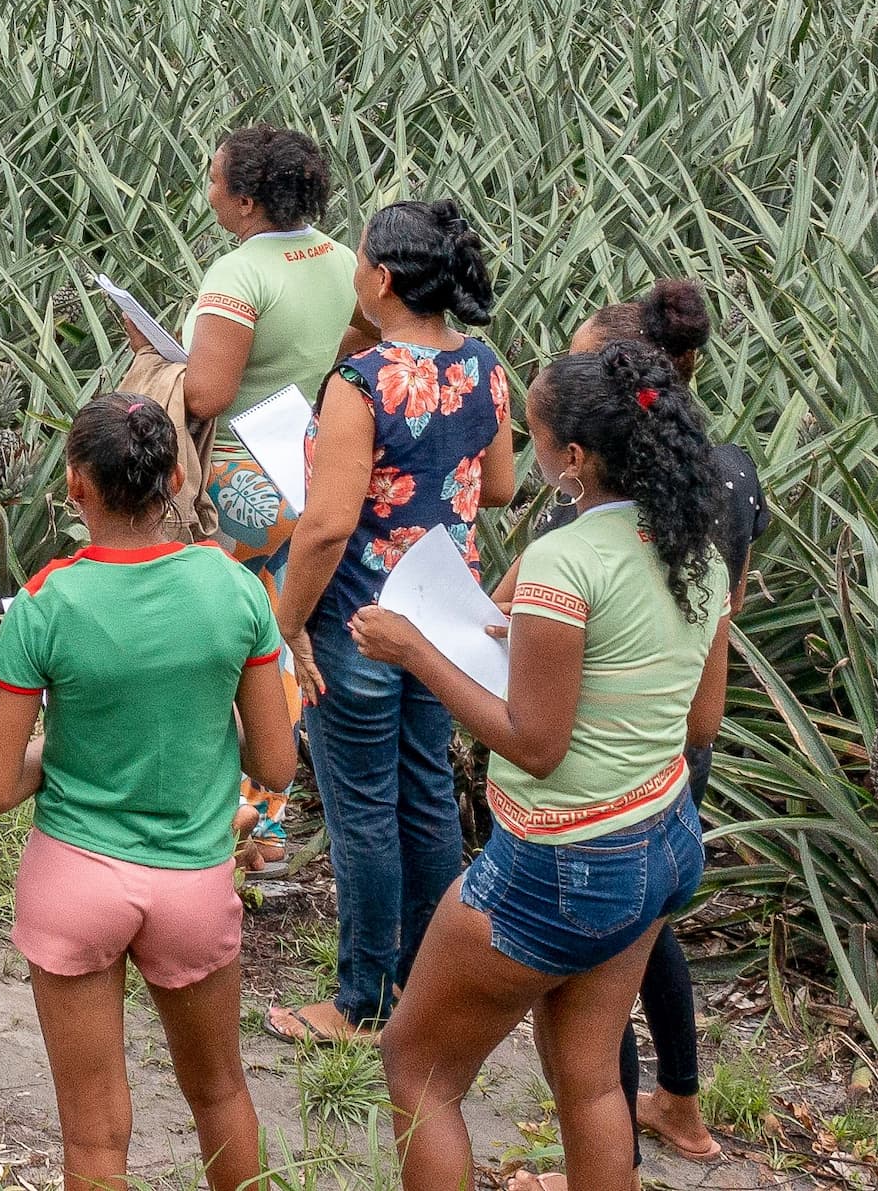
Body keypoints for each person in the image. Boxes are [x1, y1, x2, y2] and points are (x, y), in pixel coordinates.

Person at [353, 339, 732, 1191]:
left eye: (532, 438)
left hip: (561, 862)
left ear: (574, 460)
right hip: (662, 837)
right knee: (590, 1076)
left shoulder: (565, 562)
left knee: (418, 1067)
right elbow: (701, 718)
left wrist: (416, 650)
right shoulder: (696, 547)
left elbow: (534, 744)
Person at [0, 396, 293, 1191]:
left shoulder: (46, 602)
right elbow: (277, 765)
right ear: (177, 477)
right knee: (220, 1092)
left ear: (76, 485)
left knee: (92, 1135)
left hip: (74, 882)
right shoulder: (235, 591)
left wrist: (61, 751)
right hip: (191, 882)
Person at [267, 199, 514, 1047]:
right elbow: (504, 483)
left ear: (379, 277)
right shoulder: (484, 364)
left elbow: (328, 523)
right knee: (426, 796)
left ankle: (362, 998)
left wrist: (288, 621)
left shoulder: (362, 383)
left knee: (364, 806)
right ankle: (428, 983)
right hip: (445, 617)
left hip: (362, 618)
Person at [538, 281, 764, 1167]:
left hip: (601, 751)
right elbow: (726, 607)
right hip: (677, 741)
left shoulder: (591, 505)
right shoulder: (731, 470)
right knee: (647, 925)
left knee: (598, 975)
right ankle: (681, 1102)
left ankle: (607, 1153)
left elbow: (548, 682)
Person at [140, 124, 356, 870]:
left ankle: (218, 814)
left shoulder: (237, 275)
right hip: (304, 458)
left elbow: (207, 390)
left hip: (237, 475)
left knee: (220, 637)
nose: (207, 192)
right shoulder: (342, 261)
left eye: (214, 180)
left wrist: (155, 355)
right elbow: (355, 346)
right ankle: (265, 821)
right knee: (279, 636)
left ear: (245, 197)